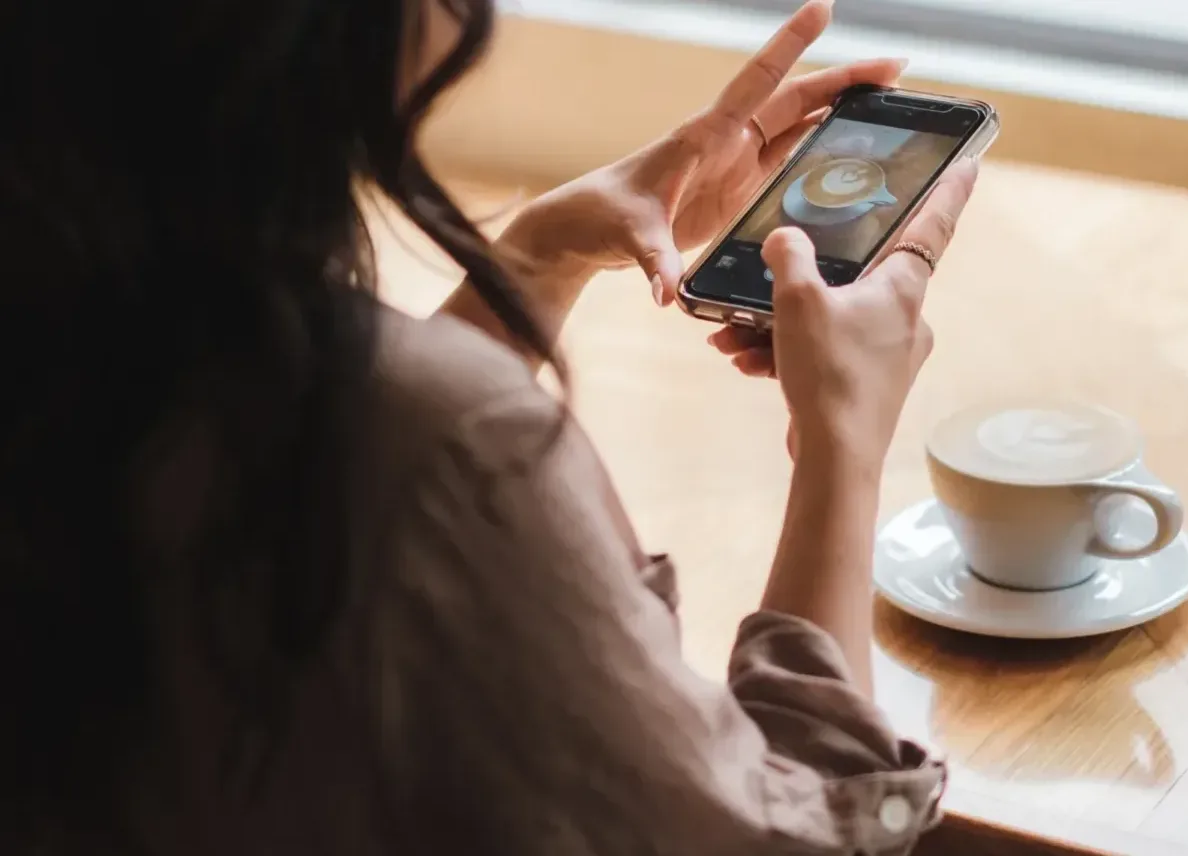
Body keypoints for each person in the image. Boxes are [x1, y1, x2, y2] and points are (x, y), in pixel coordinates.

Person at [0, 0, 979, 853]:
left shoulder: (87, 327)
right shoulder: (452, 454)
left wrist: (534, 263)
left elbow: (292, 498)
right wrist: (842, 445)